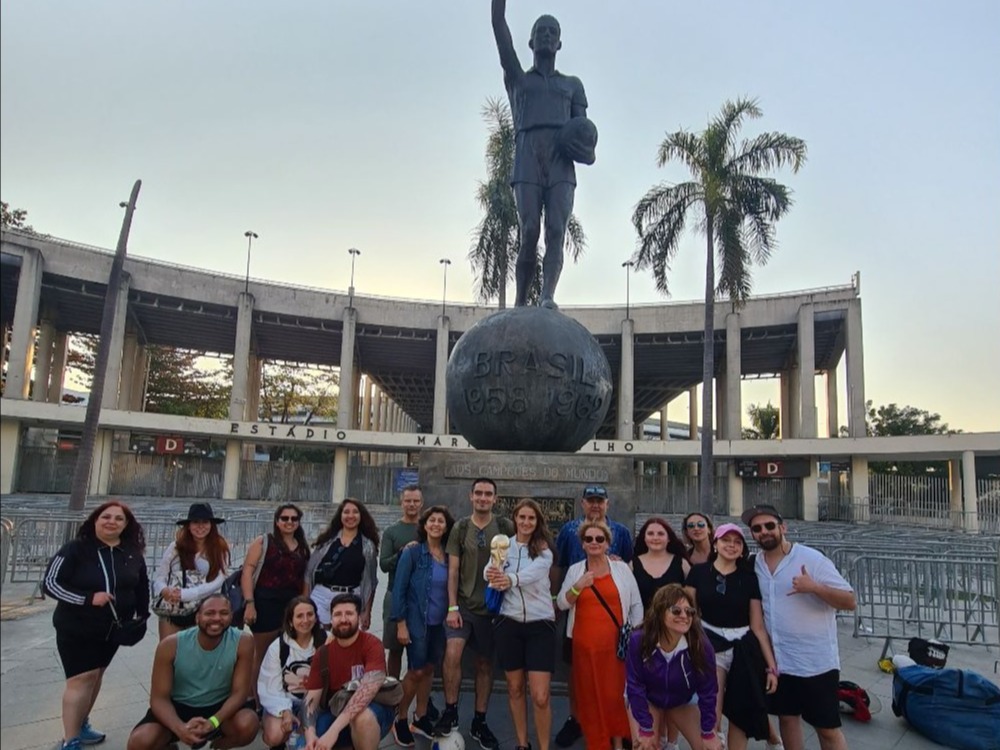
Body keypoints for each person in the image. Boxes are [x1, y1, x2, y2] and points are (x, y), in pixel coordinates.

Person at [491, 0, 592, 308]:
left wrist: (587, 152)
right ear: (531, 41)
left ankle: (547, 295)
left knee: (557, 230)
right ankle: (521, 300)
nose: (547, 35)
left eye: (552, 32)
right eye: (541, 31)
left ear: (559, 42)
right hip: (527, 157)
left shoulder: (572, 85)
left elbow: (584, 135)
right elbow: (499, 27)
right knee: (529, 230)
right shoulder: (518, 79)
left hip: (560, 163)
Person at [742, 504, 857, 750]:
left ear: (783, 527)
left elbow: (850, 601)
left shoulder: (810, 558)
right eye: (757, 528)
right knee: (787, 719)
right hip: (781, 662)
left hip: (815, 662)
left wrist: (814, 587)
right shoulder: (756, 564)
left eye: (770, 526)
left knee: (827, 729)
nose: (764, 532)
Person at [43, 500, 150, 750]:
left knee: (96, 674)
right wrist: (89, 598)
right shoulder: (76, 549)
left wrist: (142, 615)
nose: (112, 521)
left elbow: (141, 584)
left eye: (118, 518)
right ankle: (70, 741)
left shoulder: (131, 552)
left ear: (126, 525)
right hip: (77, 626)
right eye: (106, 517)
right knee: (81, 678)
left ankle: (80, 724)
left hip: (112, 629)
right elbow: (50, 583)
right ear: (95, 520)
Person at [684, 523, 781, 750]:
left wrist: (771, 667)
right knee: (711, 714)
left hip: (743, 647)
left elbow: (757, 626)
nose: (732, 545)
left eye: (737, 542)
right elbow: (688, 613)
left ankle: (770, 739)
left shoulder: (749, 578)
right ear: (715, 543)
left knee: (742, 712)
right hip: (711, 645)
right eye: (726, 540)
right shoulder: (698, 573)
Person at [433, 478, 514, 748]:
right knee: (453, 653)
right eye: (478, 493)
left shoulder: (504, 527)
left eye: (487, 494)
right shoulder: (461, 527)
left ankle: (480, 720)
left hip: (492, 608)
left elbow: (520, 557)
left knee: (484, 664)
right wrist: (452, 607)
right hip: (464, 607)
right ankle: (451, 710)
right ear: (470, 497)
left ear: (495, 498)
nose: (482, 498)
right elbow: (453, 570)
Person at [554, 484, 633, 747]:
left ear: (607, 504)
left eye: (600, 500)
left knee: (613, 682)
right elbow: (559, 566)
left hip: (611, 624)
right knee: (578, 676)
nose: (595, 505)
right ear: (583, 503)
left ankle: (615, 729)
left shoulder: (621, 531)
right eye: (591, 500)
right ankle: (577, 719)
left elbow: (629, 570)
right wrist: (556, 604)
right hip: (579, 618)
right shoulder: (568, 531)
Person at [127, 594, 258, 750]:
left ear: (231, 616)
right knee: (139, 742)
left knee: (248, 724)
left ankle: (216, 746)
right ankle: (171, 744)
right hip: (178, 707)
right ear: (197, 618)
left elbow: (240, 693)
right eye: (209, 613)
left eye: (223, 613)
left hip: (220, 706)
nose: (217, 618)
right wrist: (179, 728)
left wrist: (213, 722)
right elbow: (159, 699)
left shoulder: (243, 641)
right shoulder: (170, 645)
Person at [485, 499, 556, 750]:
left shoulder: (543, 550)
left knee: (540, 696)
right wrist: (493, 574)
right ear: (515, 519)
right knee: (515, 689)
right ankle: (522, 744)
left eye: (531, 518)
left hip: (540, 625)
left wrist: (510, 579)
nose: (526, 522)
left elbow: (534, 573)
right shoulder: (504, 544)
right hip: (509, 622)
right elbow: (489, 569)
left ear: (537, 522)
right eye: (522, 517)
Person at [390, 505, 455, 746]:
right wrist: (401, 623)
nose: (436, 524)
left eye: (441, 521)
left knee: (429, 669)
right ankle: (401, 717)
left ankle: (421, 715)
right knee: (416, 670)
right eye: (432, 520)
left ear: (446, 527)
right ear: (425, 525)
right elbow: (400, 589)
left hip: (439, 624)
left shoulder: (449, 555)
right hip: (417, 622)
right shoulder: (414, 552)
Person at [625, 585, 720, 750]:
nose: (684, 616)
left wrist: (708, 732)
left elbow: (708, 691)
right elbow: (635, 685)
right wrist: (646, 729)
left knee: (710, 748)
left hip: (683, 701)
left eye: (689, 612)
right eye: (676, 611)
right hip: (648, 698)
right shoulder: (639, 640)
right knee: (644, 746)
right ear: (660, 612)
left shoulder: (701, 646)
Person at [302, 594, 394, 750]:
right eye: (338, 614)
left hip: (374, 710)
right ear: (331, 619)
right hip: (335, 710)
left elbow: (368, 690)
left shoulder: (372, 644)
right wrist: (310, 734)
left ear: (359, 617)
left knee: (362, 719)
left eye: (349, 614)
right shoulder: (323, 653)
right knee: (312, 741)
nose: (343, 619)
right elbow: (311, 699)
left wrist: (333, 731)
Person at [242, 503, 310, 697]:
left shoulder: (303, 547)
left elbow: (305, 578)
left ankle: (275, 693)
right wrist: (249, 603)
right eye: (285, 518)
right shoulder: (264, 542)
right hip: (265, 603)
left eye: (294, 519)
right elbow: (248, 571)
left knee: (284, 653)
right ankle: (251, 697)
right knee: (260, 654)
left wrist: (304, 605)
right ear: (277, 521)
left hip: (290, 606)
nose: (289, 522)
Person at [257, 596, 326, 750]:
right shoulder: (279, 647)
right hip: (285, 700)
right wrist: (285, 710)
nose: (305, 620)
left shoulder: (325, 641)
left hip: (316, 702)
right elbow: (270, 685)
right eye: (299, 616)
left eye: (310, 614)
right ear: (290, 621)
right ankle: (278, 745)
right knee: (275, 734)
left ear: (316, 617)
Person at [152, 502, 229, 640]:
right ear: (189, 526)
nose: (200, 526)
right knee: (169, 651)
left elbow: (219, 579)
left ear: (211, 525)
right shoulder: (175, 547)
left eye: (205, 522)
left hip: (202, 608)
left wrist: (187, 594)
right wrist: (165, 590)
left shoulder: (220, 549)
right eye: (195, 522)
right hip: (172, 608)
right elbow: (160, 577)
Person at [306, 498, 380, 629]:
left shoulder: (368, 546)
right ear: (340, 515)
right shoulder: (326, 541)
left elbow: (370, 581)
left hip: (350, 598)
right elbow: (309, 573)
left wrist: (366, 612)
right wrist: (305, 603)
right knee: (318, 640)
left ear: (361, 516)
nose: (350, 516)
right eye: (346, 512)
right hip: (321, 597)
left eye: (355, 512)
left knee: (344, 641)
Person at [379, 485, 425, 681]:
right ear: (401, 503)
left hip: (421, 598)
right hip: (395, 595)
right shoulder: (392, 532)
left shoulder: (428, 528)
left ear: (421, 503)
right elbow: (383, 565)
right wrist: (402, 553)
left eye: (415, 501)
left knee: (420, 653)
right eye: (408, 501)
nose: (412, 504)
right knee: (395, 650)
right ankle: (393, 690)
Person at [632, 516, 690, 609]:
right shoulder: (632, 565)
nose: (655, 538)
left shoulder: (682, 564)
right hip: (641, 622)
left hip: (674, 621)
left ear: (669, 538)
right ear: (644, 538)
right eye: (650, 534)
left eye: (661, 534)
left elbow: (690, 598)